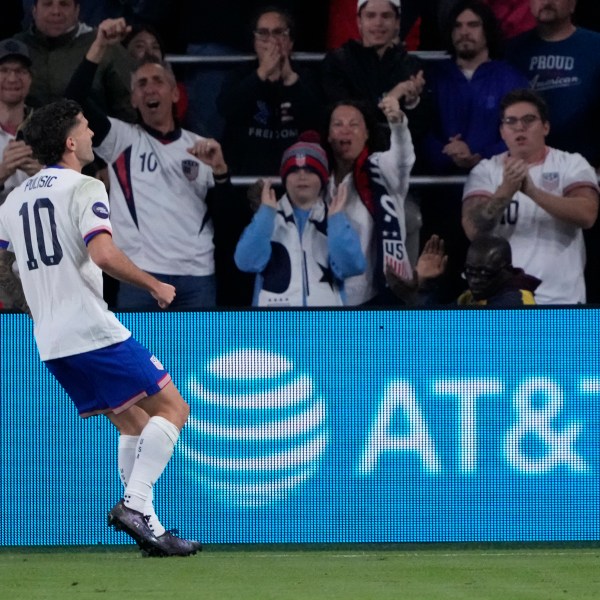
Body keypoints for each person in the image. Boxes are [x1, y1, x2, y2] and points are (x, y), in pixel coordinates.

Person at [0, 98, 200, 557]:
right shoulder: (85, 187)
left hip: (50, 340)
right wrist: (154, 285)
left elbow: (8, 255)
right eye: (86, 128)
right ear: (70, 142)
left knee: (132, 422)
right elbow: (104, 254)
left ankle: (150, 527)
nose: (92, 135)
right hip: (91, 329)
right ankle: (136, 504)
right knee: (173, 409)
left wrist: (27, 298)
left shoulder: (15, 199)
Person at [66, 18, 242, 310]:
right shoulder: (120, 140)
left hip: (197, 276)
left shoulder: (201, 147)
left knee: (198, 357)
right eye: (142, 84)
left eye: (158, 81)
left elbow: (230, 222)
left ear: (174, 93)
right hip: (140, 277)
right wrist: (99, 46)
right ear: (133, 99)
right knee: (139, 358)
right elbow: (72, 101)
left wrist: (222, 173)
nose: (150, 89)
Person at [418, 0, 528, 301]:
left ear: (486, 31)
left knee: (489, 283)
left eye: (473, 25)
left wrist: (478, 155)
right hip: (441, 199)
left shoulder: (510, 77)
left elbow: (522, 134)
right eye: (458, 26)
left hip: (493, 200)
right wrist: (445, 152)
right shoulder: (432, 76)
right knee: (440, 282)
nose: (464, 32)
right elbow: (421, 130)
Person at [462, 88, 599, 304]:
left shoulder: (571, 163)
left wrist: (533, 192)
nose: (519, 127)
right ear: (502, 131)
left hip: (562, 300)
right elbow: (472, 229)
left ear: (545, 127)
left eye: (529, 120)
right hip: (504, 302)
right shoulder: (485, 170)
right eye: (511, 121)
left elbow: (588, 214)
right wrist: (505, 192)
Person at [234, 135, 366, 306]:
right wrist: (265, 214)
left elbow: (351, 267)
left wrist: (337, 222)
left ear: (322, 178)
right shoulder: (268, 218)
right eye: (294, 170)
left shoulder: (334, 218)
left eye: (310, 170)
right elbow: (245, 262)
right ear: (285, 178)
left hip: (325, 327)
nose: (302, 176)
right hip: (275, 328)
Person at [324, 95, 415, 306]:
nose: (345, 130)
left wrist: (398, 125)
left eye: (354, 125)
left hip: (377, 296)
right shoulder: (316, 178)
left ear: (366, 134)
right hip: (325, 298)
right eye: (338, 124)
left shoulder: (382, 169)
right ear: (328, 135)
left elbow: (403, 159)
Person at [217, 6, 323, 177]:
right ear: (255, 42)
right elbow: (227, 109)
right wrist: (262, 74)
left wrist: (290, 79)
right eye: (263, 33)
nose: (272, 40)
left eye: (279, 32)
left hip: (298, 176)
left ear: (290, 42)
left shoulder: (307, 76)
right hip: (247, 178)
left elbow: (317, 119)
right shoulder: (241, 74)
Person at [320, 0, 429, 144]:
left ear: (397, 22)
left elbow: (421, 127)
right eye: (371, 16)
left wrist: (412, 103)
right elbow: (346, 118)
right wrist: (393, 96)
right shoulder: (338, 63)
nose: (378, 23)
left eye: (386, 16)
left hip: (401, 153)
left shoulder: (411, 65)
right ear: (359, 21)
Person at [15, 0, 135, 122]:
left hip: (94, 138)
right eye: (47, 4)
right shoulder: (14, 49)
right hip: (24, 138)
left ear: (77, 10)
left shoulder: (105, 45)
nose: (56, 11)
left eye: (64, 4)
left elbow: (128, 108)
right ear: (34, 11)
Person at [386, 233, 540, 305]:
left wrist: (416, 298)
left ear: (507, 270)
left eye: (485, 273)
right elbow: (439, 322)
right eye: (470, 272)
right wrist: (423, 287)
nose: (475, 281)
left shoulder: (516, 302)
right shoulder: (471, 296)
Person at [0, 39, 42, 206]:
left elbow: (72, 192)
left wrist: (43, 176)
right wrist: (4, 171)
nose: (12, 78)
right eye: (4, 70)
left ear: (30, 79)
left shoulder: (50, 127)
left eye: (20, 71)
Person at [121, 23, 189, 125]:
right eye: (140, 46)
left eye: (155, 47)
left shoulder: (176, 91)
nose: (150, 52)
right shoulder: (113, 88)